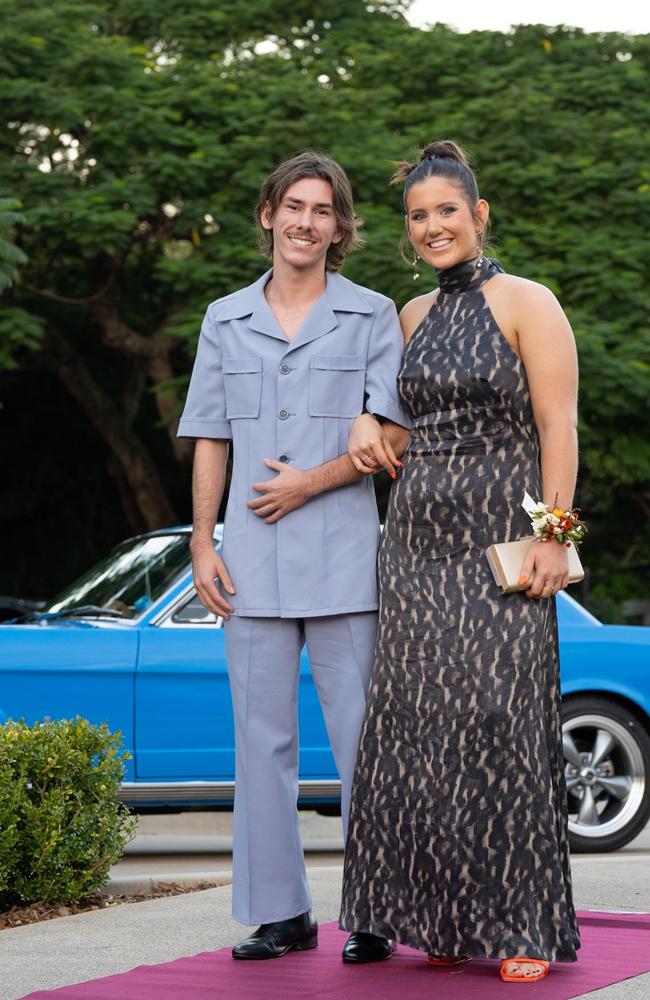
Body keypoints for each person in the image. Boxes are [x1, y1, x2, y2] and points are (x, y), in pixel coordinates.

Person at [339, 140, 581, 983]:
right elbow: (401, 429)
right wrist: (369, 426)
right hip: (412, 544)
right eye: (419, 217)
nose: (434, 226)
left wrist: (557, 534)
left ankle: (522, 924)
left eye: (448, 211)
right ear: (408, 233)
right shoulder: (407, 316)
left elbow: (558, 425)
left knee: (500, 719)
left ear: (479, 215)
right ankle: (436, 917)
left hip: (501, 543)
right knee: (417, 726)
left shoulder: (528, 302)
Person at [177, 151, 410, 963]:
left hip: (346, 561)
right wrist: (202, 542)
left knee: (362, 742)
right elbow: (209, 433)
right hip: (250, 562)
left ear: (341, 227)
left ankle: (377, 906)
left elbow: (390, 439)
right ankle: (281, 913)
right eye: (294, 206)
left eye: (324, 210)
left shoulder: (375, 314)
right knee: (261, 742)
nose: (308, 221)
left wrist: (310, 482)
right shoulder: (223, 318)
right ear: (268, 214)